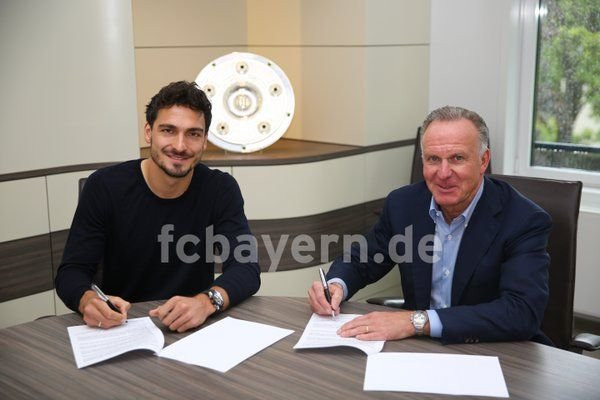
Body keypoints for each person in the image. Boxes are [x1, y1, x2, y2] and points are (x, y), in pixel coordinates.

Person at [308, 106, 552, 345]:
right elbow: (363, 259)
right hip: (420, 348)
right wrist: (336, 285)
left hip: (495, 351)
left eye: (457, 158)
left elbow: (521, 312)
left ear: (483, 160)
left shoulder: (524, 220)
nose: (443, 173)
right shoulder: (403, 204)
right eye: (434, 159)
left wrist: (416, 321)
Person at [56, 81, 260, 333]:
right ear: (149, 132)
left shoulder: (220, 189)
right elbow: (72, 272)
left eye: (193, 134)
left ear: (205, 141)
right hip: (121, 327)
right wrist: (88, 300)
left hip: (192, 328)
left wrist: (206, 302)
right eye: (168, 130)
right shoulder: (104, 186)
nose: (180, 146)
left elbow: (246, 267)